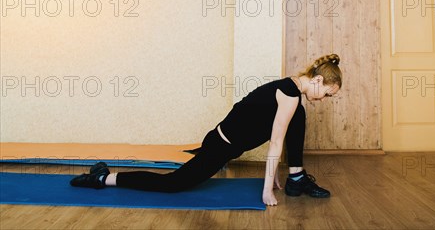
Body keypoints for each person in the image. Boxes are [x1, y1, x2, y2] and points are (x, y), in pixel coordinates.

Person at [70, 54, 342, 206]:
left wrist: (276, 177)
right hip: (219, 147)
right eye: (327, 94)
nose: (325, 99)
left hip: (223, 139)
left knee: (300, 114)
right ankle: (104, 177)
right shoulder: (289, 95)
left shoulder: (293, 88)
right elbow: (275, 145)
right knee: (174, 185)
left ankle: (297, 177)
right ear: (318, 80)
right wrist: (266, 190)